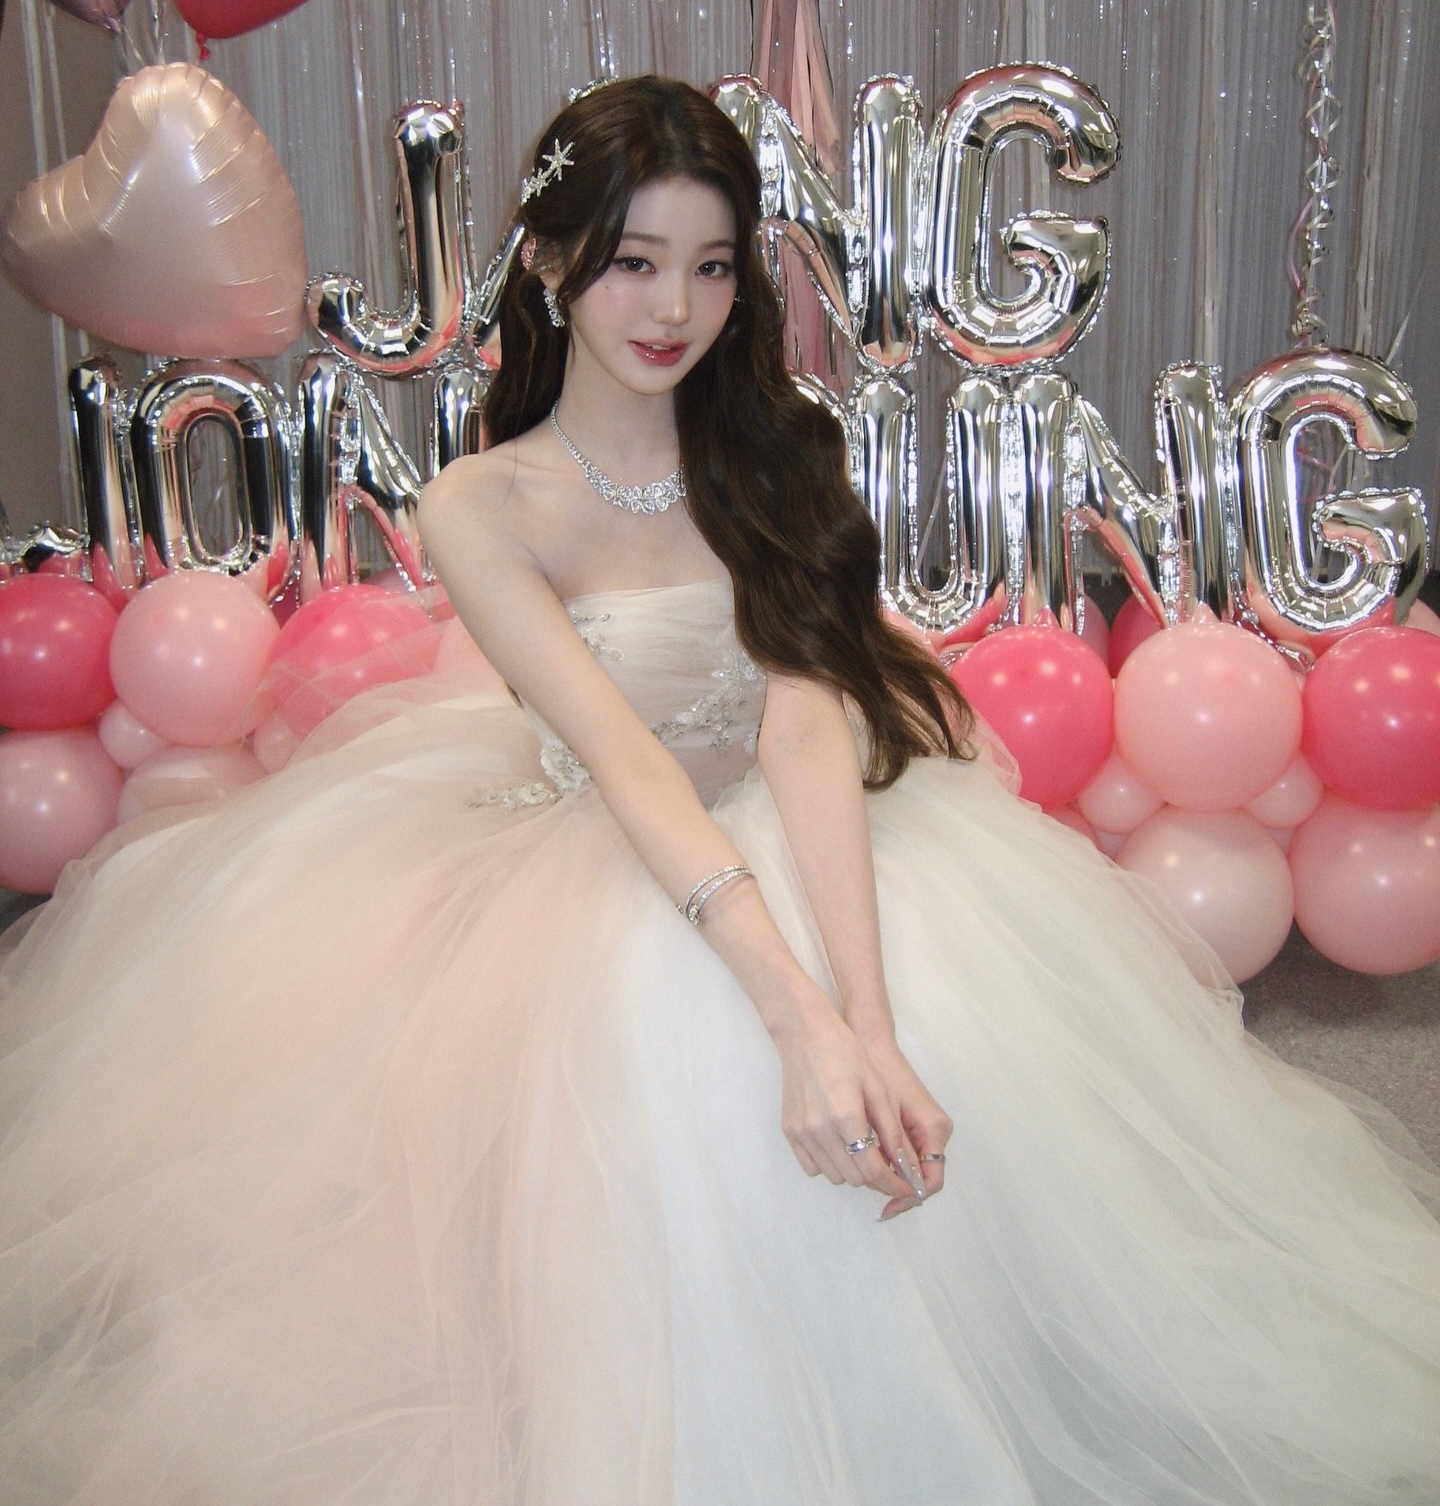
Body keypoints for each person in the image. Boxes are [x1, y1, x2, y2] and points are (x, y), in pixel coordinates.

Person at [0, 76, 1436, 1506]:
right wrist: (795, 1017)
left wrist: (864, 1013)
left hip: (802, 815)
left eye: (709, 266)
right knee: (672, 1080)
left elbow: (807, 719)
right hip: (598, 838)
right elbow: (625, 762)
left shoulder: (774, 451)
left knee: (953, 1055)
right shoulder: (483, 505)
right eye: (633, 262)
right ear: (551, 264)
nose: (673, 308)